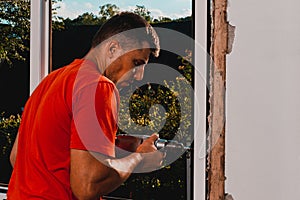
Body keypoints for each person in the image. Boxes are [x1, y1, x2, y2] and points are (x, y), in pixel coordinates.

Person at [7, 12, 163, 200]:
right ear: (113, 48)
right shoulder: (98, 86)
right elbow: (87, 187)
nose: (139, 76)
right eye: (136, 63)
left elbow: (17, 158)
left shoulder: (50, 81)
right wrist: (139, 158)